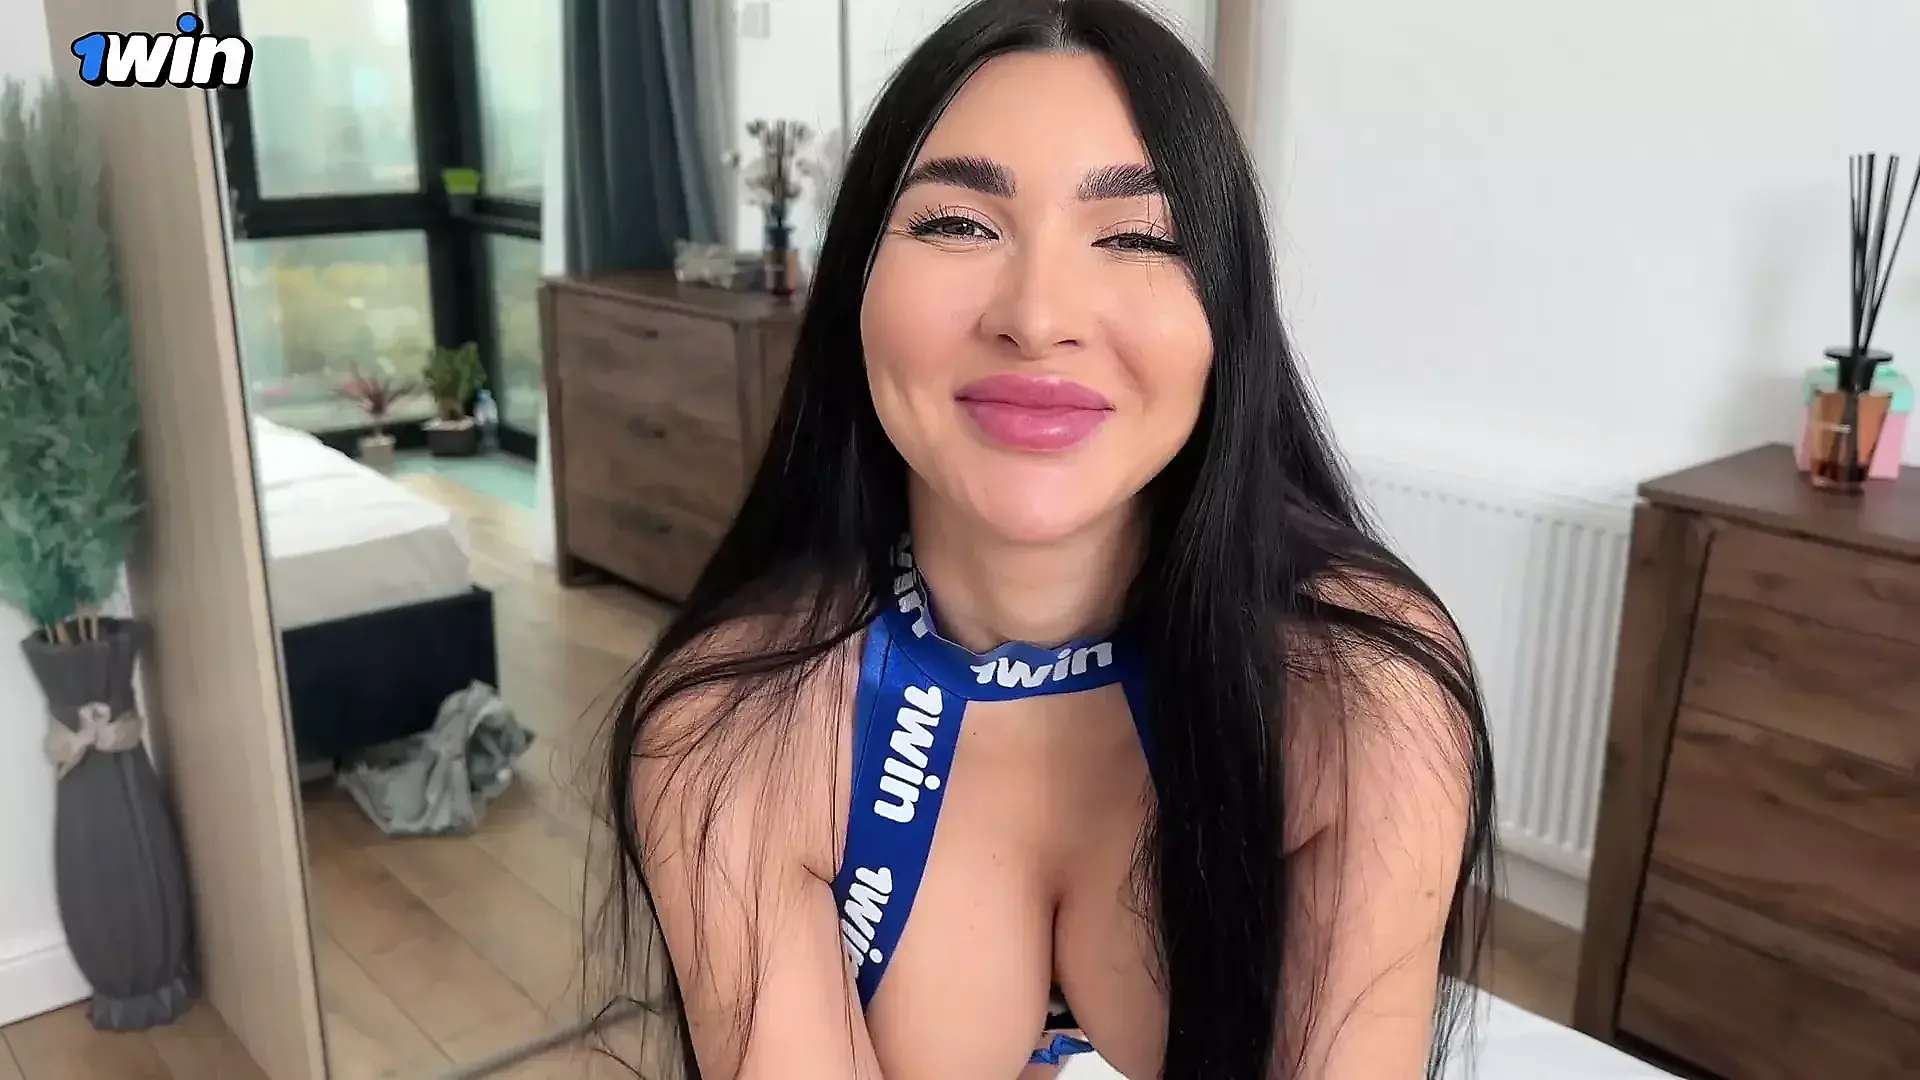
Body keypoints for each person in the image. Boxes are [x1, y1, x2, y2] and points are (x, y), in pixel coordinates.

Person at [595, 1, 1496, 1077]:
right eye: (958, 224)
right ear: (856, 286)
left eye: (1137, 236)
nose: (1037, 316)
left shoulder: (1360, 695)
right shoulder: (732, 729)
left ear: (1229, 314)